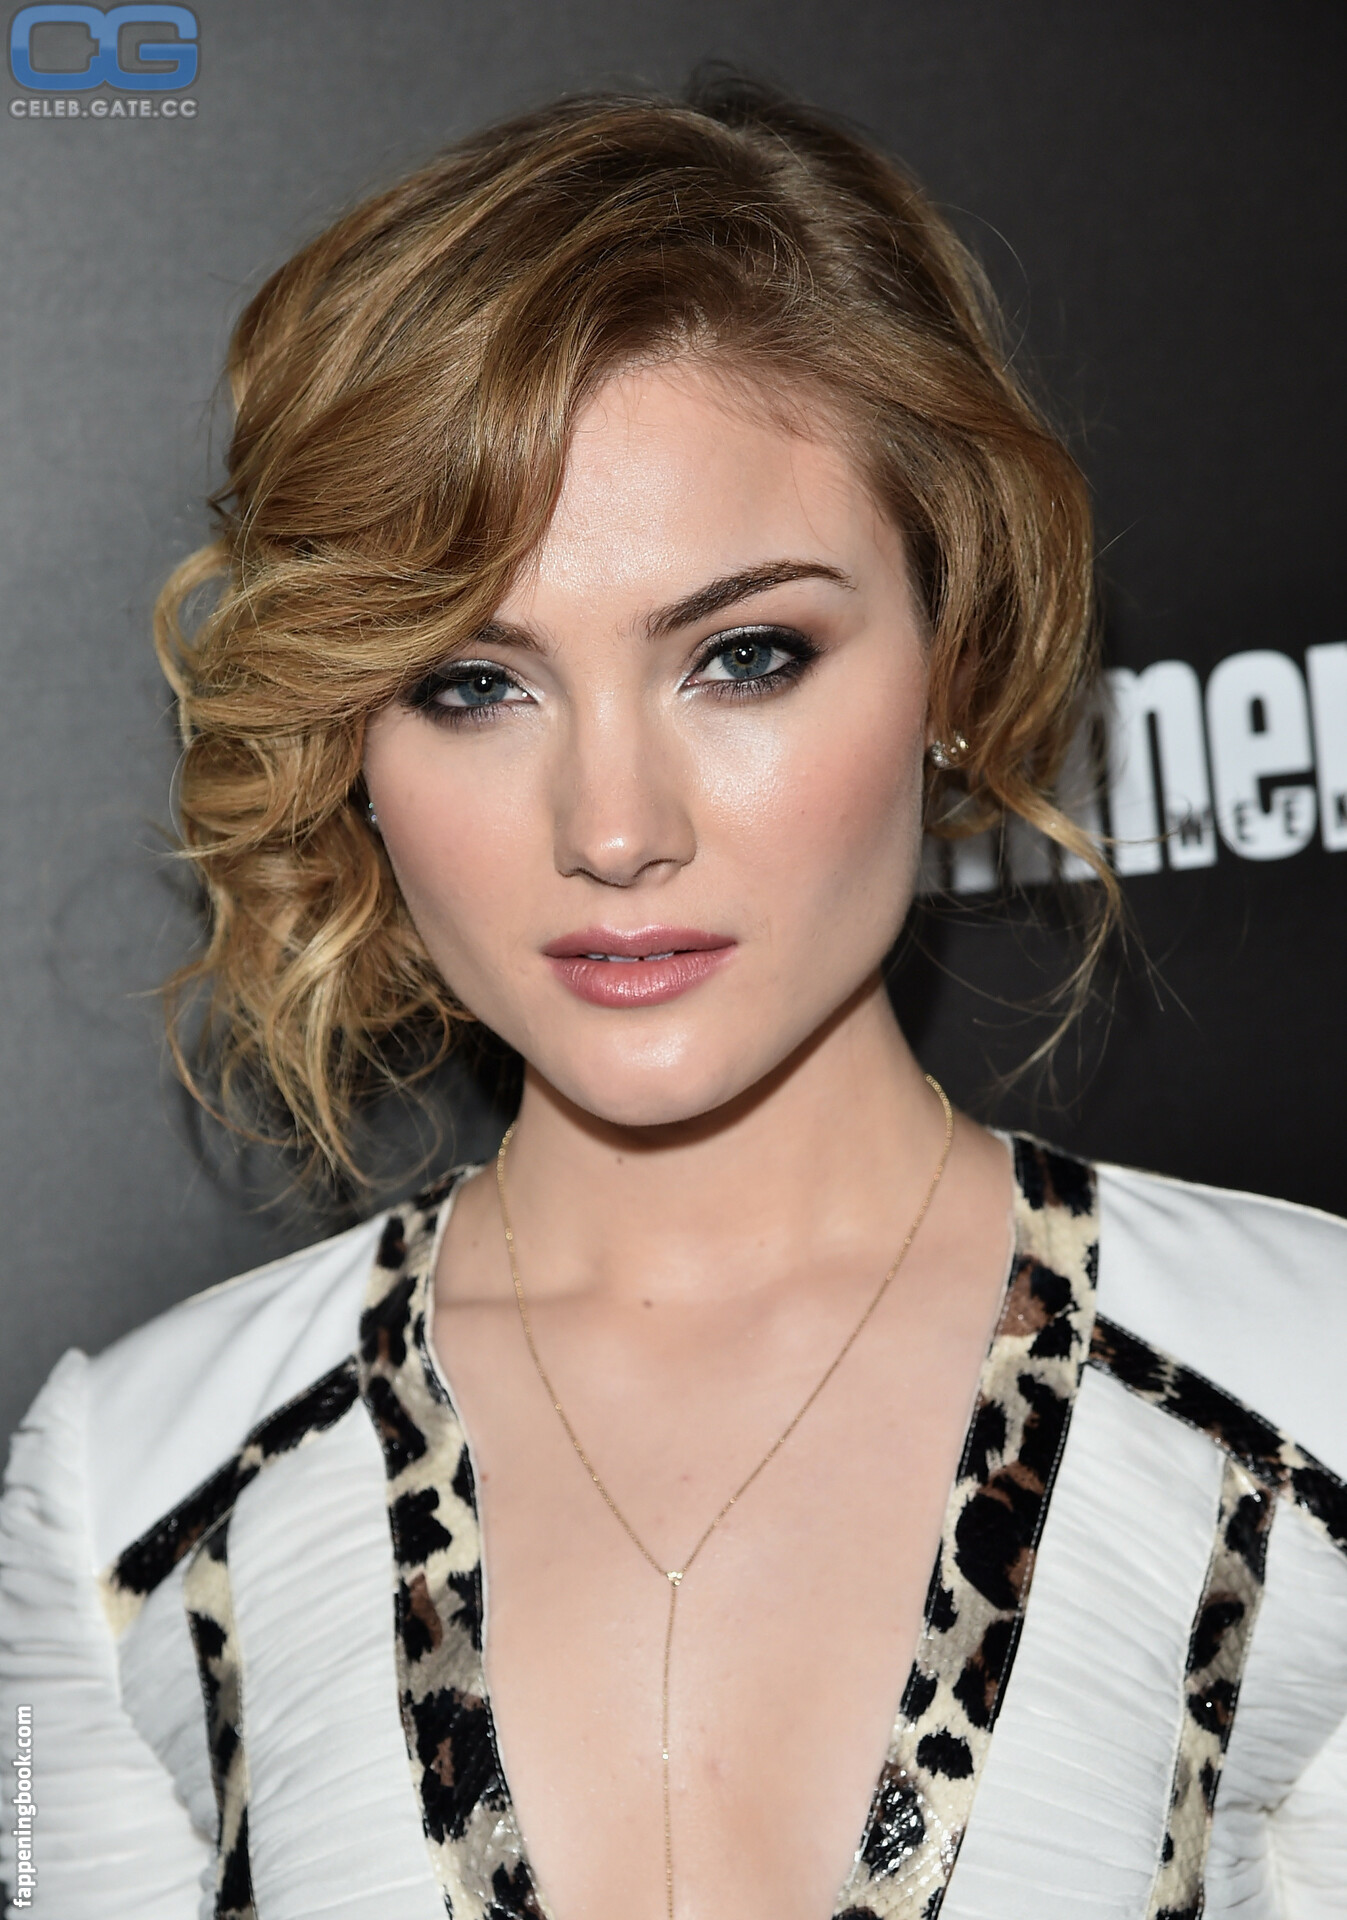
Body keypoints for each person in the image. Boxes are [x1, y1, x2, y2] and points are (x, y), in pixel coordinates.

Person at [1, 77, 1344, 1920]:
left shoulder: (1310, 1397)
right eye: (474, 684)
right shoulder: (137, 1501)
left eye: (746, 655)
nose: (614, 829)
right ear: (349, 746)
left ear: (952, 665)